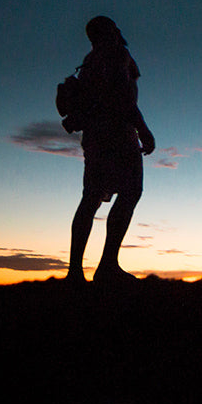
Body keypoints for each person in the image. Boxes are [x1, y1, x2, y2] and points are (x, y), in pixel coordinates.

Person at [67, 15, 156, 285]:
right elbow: (124, 96)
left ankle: (75, 272)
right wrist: (143, 129)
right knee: (130, 192)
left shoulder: (90, 60)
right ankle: (107, 266)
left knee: (91, 197)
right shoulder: (117, 54)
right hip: (117, 135)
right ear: (113, 31)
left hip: (94, 137)